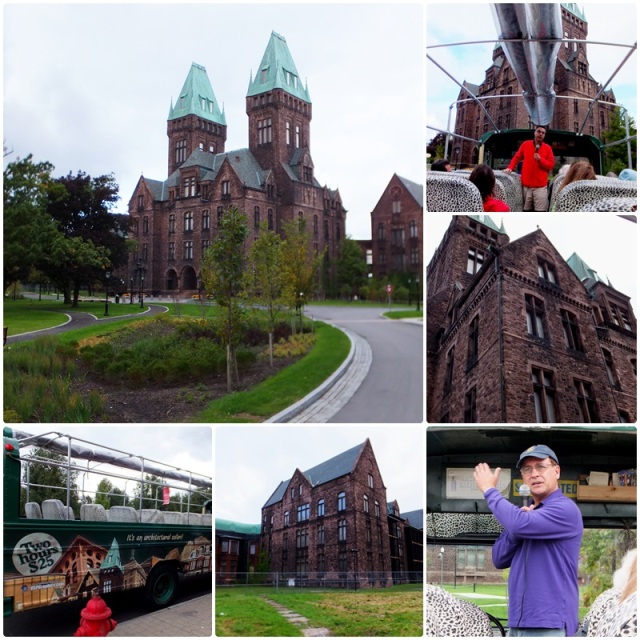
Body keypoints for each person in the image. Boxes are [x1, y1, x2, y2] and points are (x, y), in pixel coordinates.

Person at [473, 444, 583, 637]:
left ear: (556, 471)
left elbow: (516, 523)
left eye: (541, 466)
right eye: (527, 469)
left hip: (550, 626)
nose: (534, 474)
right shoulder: (524, 517)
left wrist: (490, 490)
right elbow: (498, 559)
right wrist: (518, 530)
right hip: (518, 623)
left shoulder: (565, 509)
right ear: (523, 477)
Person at [504, 125, 555, 211]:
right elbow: (517, 157)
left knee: (540, 211)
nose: (541, 134)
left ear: (544, 135)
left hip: (540, 188)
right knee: (526, 211)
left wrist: (540, 160)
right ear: (534, 133)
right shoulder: (526, 144)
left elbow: (550, 165)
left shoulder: (548, 148)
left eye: (543, 133)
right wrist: (510, 168)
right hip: (526, 187)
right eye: (539, 131)